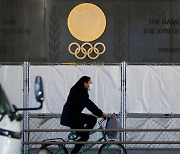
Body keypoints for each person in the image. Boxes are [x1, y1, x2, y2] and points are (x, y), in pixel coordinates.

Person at [60, 76, 108, 154]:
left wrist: (99, 113)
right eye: (90, 83)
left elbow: (88, 104)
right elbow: (89, 104)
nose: (91, 84)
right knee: (85, 136)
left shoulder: (79, 91)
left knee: (92, 120)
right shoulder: (80, 92)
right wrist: (100, 113)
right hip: (71, 117)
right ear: (85, 83)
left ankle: (83, 136)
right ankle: (81, 140)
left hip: (73, 116)